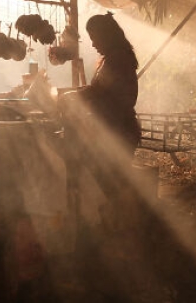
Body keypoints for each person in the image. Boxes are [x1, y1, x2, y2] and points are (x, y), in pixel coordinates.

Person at [58, 12, 141, 233]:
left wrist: (72, 95)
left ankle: (121, 232)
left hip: (118, 132)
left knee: (112, 184)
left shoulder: (118, 59)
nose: (93, 43)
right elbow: (100, 91)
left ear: (106, 35)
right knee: (111, 184)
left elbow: (101, 92)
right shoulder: (114, 57)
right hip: (115, 130)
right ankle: (116, 229)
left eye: (94, 37)